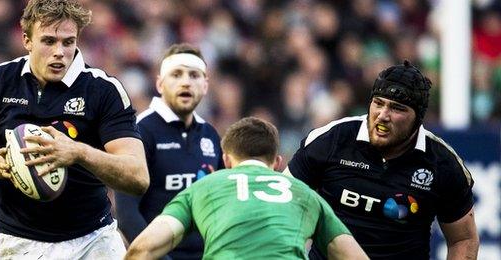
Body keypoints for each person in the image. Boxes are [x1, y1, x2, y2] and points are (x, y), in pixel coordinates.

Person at [0, 0, 149, 258]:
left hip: (93, 241)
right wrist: (11, 165)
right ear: (27, 40)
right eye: (48, 41)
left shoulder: (104, 89)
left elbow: (138, 177)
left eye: (68, 42)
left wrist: (79, 153)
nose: (60, 52)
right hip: (19, 243)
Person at [284, 60, 479, 259]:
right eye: (378, 103)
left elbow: (463, 239)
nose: (383, 115)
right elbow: (282, 206)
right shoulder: (331, 140)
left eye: (397, 108)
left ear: (418, 119)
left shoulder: (442, 163)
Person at [125, 117, 369, 260]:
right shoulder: (304, 194)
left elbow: (142, 248)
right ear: (277, 163)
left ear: (226, 161)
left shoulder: (204, 187)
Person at [114, 43, 224, 259]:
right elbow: (127, 215)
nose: (185, 82)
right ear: (160, 84)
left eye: (194, 75)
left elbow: (221, 205)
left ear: (205, 85)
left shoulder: (210, 135)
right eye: (176, 74)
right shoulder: (140, 131)